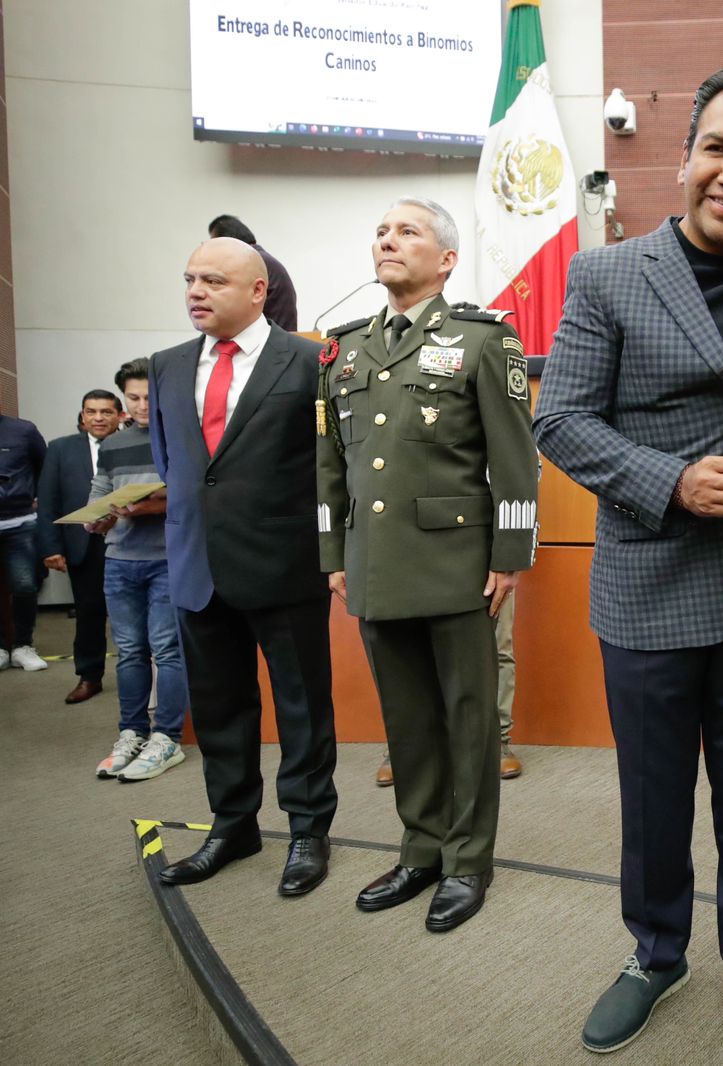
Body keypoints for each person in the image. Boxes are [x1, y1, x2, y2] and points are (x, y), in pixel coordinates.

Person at [534, 68, 723, 1066]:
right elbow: (561, 421)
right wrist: (677, 481)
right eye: (718, 148)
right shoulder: (607, 275)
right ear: (685, 156)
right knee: (654, 800)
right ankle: (656, 952)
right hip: (648, 585)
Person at [317, 196, 537, 933]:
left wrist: (510, 555)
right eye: (381, 231)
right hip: (374, 564)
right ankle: (421, 849)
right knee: (407, 719)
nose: (388, 240)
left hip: (456, 563)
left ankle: (467, 860)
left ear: (445, 260)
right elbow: (330, 463)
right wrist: (332, 553)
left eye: (406, 231)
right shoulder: (344, 350)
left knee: (469, 720)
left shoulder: (482, 340)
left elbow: (515, 459)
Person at [149, 238, 339, 897]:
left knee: (301, 707)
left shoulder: (310, 361)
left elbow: (330, 465)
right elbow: (176, 466)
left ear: (258, 291)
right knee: (220, 707)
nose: (196, 291)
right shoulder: (168, 366)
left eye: (214, 281)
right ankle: (233, 826)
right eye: (190, 279)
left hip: (285, 565)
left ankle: (309, 829)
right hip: (198, 566)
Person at [86, 359, 189, 781]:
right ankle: (131, 733)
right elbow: (100, 489)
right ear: (123, 400)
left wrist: (149, 506)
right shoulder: (113, 444)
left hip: (168, 559)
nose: (142, 405)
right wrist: (95, 518)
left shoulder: (181, 435)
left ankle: (167, 738)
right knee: (129, 651)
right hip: (120, 560)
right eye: (133, 398)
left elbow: (194, 494)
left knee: (166, 650)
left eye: (149, 397)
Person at [374, 592, 523, 787]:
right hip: (407, 575)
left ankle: (498, 740)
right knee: (404, 650)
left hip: (485, 573)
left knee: (497, 646)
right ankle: (405, 748)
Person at [37, 390, 123, 701]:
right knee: (89, 614)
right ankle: (89, 676)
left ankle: (144, 680)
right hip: (83, 544)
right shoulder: (60, 449)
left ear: (119, 416)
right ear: (82, 416)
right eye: (91, 412)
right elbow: (48, 500)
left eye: (106, 412)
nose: (98, 418)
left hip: (129, 540)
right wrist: (51, 547)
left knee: (135, 615)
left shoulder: (134, 444)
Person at [0, 412, 48, 672]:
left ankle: (22, 646)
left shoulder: (24, 431)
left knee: (25, 584)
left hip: (20, 522)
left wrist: (36, 497)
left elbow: (45, 467)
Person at [207, 214, 299, 331]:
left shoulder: (250, 262)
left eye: (215, 245)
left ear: (228, 241)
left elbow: (232, 306)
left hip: (270, 337)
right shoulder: (262, 259)